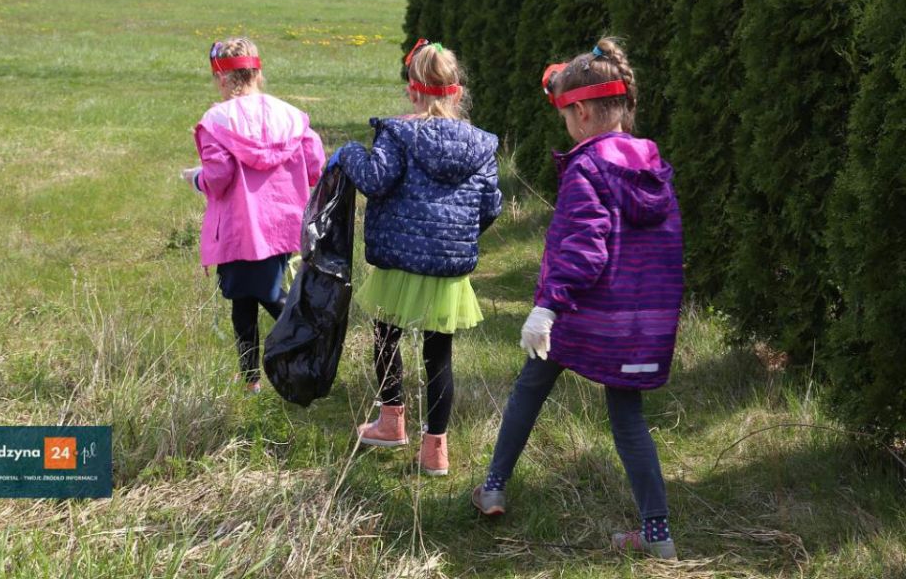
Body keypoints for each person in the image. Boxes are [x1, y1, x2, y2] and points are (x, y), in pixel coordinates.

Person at [471, 38, 684, 560]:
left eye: (565, 115)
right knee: (628, 418)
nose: (566, 124)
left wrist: (548, 306)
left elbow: (584, 249)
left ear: (582, 112)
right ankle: (658, 535)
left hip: (580, 314)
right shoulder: (652, 165)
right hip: (636, 323)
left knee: (529, 388)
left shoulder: (587, 167)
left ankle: (493, 487)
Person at [329, 39, 502, 477]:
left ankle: (391, 422)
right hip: (447, 266)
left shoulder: (398, 134)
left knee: (386, 336)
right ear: (457, 92)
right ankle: (435, 451)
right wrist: (458, 235)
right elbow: (490, 206)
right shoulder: (481, 145)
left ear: (412, 91)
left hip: (399, 259)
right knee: (438, 353)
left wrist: (348, 153)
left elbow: (375, 179)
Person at [182, 37, 325, 394]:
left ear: (221, 78)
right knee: (245, 298)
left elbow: (218, 177)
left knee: (264, 295)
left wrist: (197, 178)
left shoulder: (217, 121)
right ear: (258, 74)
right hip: (281, 225)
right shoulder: (291, 116)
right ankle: (250, 378)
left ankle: (314, 346)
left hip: (240, 229)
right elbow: (315, 166)